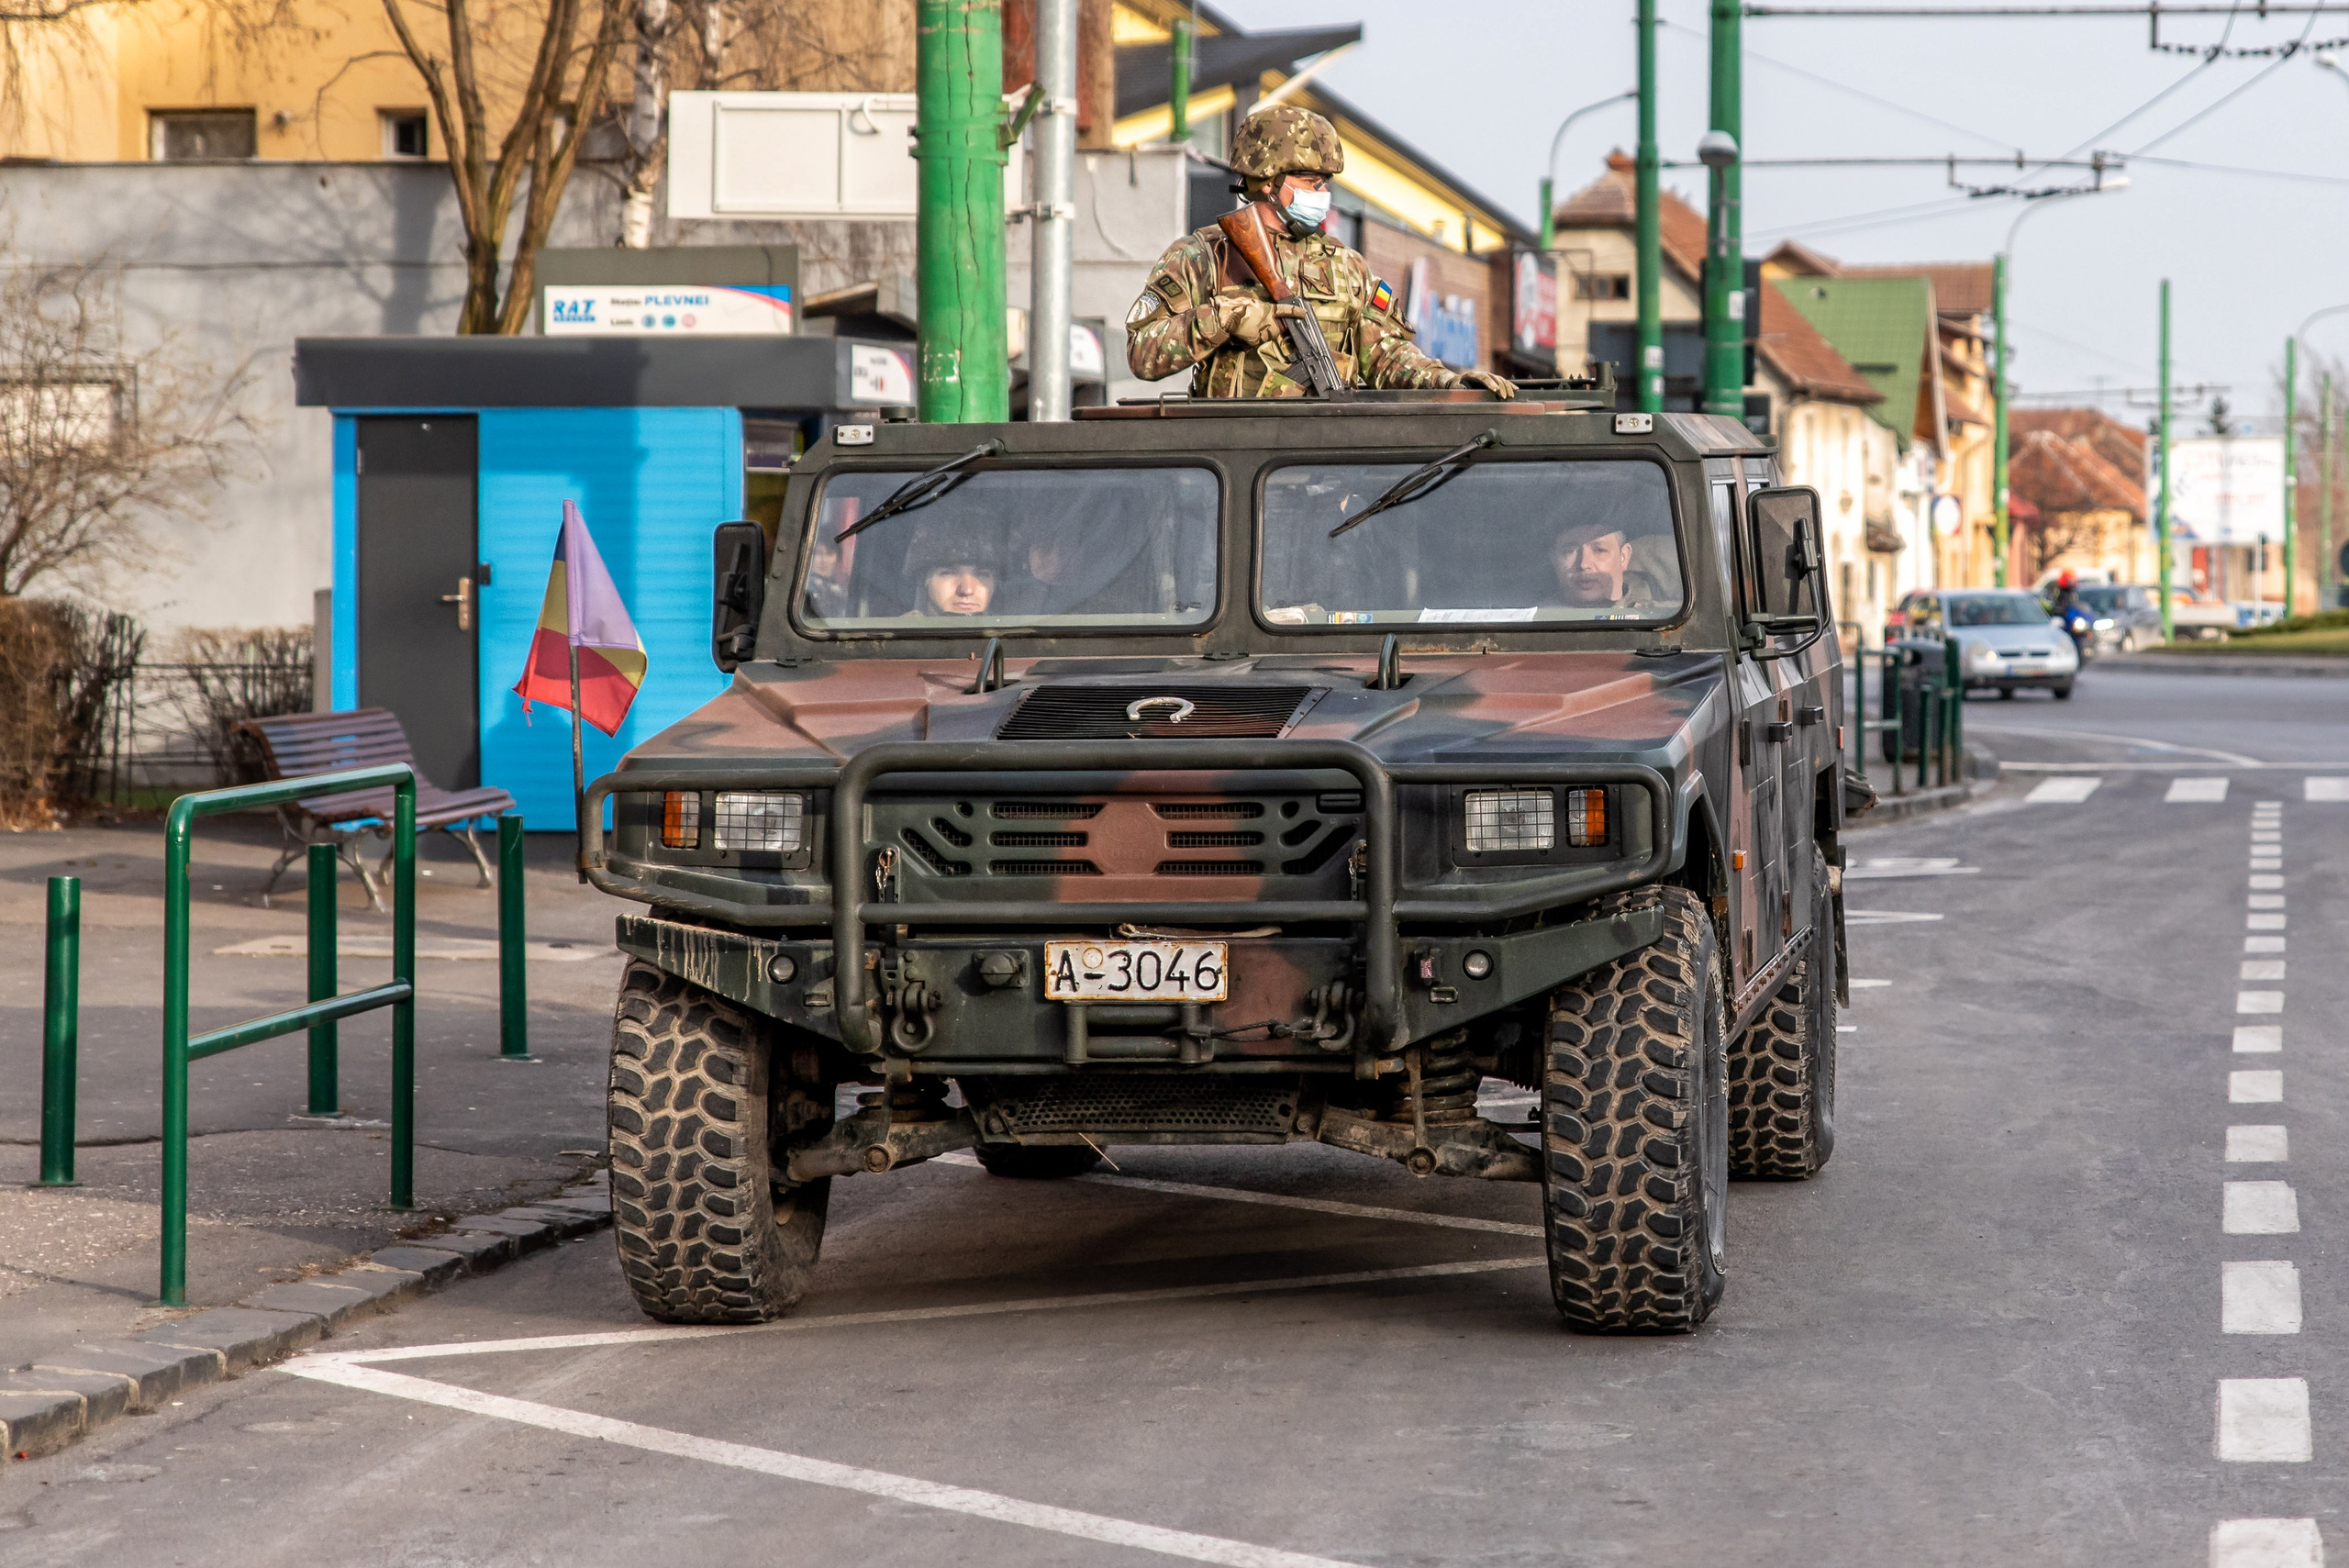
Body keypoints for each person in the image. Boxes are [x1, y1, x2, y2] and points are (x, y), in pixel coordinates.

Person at [1124, 106, 1520, 401]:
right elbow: (1143, 354)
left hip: (1319, 467)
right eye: (1311, 182)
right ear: (1267, 181)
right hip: (1232, 463)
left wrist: (1451, 382)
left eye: (1325, 184)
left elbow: (1388, 356)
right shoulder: (1204, 256)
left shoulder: (1345, 266)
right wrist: (1225, 317)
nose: (1322, 195)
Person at [1552, 517, 1670, 614]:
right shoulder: (1538, 619)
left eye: (1599, 550)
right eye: (1570, 551)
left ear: (1623, 556)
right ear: (1553, 559)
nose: (1584, 564)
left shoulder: (1667, 614)